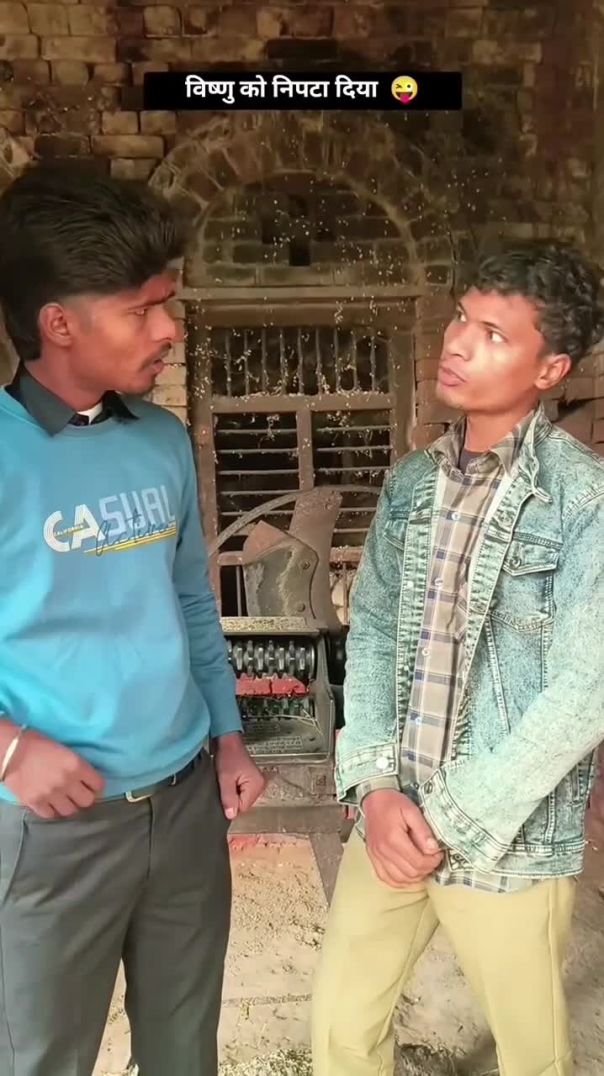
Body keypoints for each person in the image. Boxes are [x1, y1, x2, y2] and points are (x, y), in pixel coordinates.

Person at [311, 241, 604, 1076]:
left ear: (550, 370)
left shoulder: (582, 499)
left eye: (494, 334)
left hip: (505, 838)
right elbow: (372, 633)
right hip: (392, 816)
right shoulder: (412, 485)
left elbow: (586, 689)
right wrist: (374, 787)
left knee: (532, 1057)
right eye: (462, 319)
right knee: (340, 1033)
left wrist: (452, 817)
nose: (459, 343)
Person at [0, 162, 265, 1076]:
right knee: (41, 1058)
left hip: (186, 807)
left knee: (185, 1050)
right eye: (142, 309)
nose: (169, 329)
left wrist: (228, 737)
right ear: (59, 324)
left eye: (169, 303)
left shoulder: (160, 441)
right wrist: (8, 749)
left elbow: (190, 599)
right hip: (52, 829)